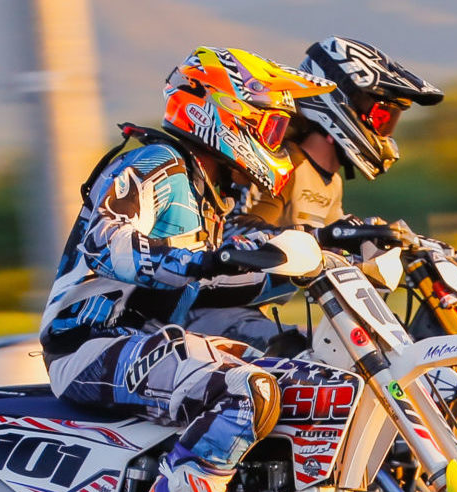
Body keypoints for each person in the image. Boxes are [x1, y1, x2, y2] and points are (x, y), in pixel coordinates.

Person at [40, 47, 333, 492]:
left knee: (299, 374)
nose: (277, 143)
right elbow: (109, 241)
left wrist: (327, 263)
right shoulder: (151, 163)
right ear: (221, 111)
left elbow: (229, 275)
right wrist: (206, 257)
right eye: (271, 125)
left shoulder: (212, 189)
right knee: (245, 393)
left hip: (148, 341)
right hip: (92, 344)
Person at [187, 37, 443, 354]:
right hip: (207, 315)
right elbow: (230, 235)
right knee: (330, 357)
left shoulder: (331, 181)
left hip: (252, 312)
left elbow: (335, 239)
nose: (385, 133)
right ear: (342, 104)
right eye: (380, 118)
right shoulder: (280, 164)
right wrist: (321, 237)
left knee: (369, 351)